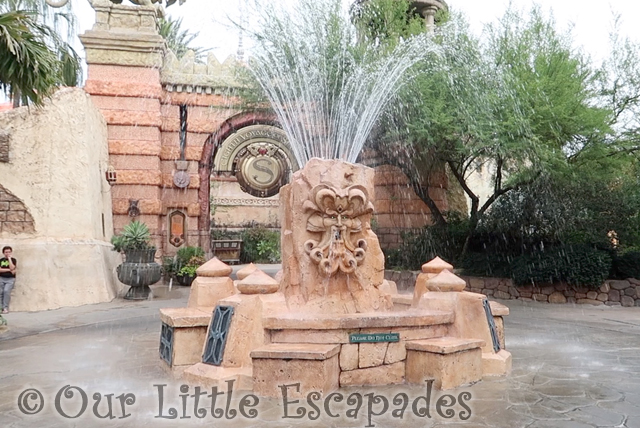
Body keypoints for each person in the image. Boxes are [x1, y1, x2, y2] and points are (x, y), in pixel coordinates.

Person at [0, 246, 17, 314]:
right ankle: (0, 308)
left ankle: (5, 308)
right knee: (0, 292)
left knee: (6, 291)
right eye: (6, 252)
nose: (8, 253)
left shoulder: (13, 260)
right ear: (3, 253)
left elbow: (13, 267)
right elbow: (0, 270)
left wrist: (9, 259)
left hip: (10, 279)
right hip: (1, 278)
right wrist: (9, 270)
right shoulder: (1, 260)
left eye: (9, 252)